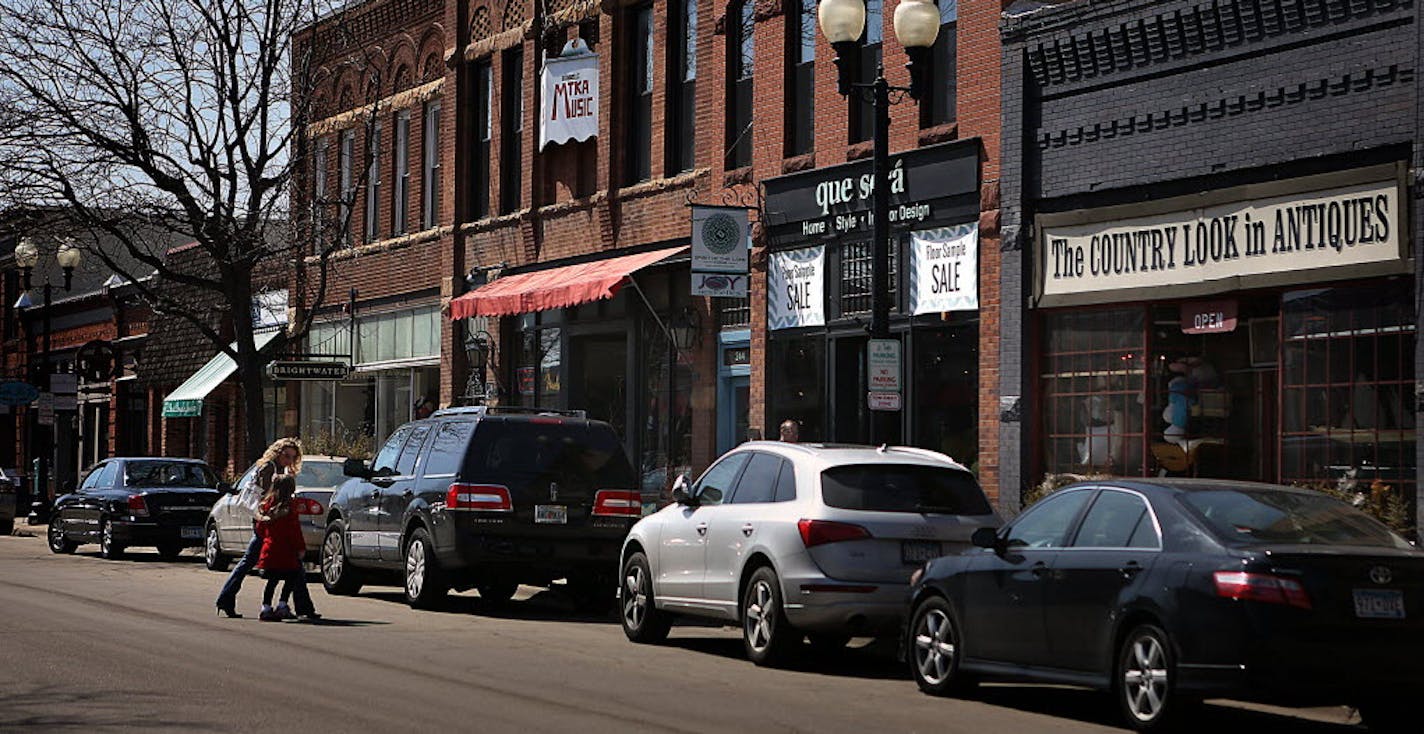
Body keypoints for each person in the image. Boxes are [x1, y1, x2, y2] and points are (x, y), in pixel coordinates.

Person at [214, 437, 302, 618]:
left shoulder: (277, 468)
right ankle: (227, 598)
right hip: (267, 521)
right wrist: (272, 512)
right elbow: (267, 497)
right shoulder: (269, 467)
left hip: (268, 520)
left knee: (255, 562)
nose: (289, 460)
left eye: (293, 457)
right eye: (286, 455)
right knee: (286, 564)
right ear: (278, 453)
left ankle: (226, 598)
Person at [255, 475, 317, 621]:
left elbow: (260, 527)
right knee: (292, 577)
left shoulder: (266, 505)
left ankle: (266, 607)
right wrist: (300, 548)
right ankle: (282, 604)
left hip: (270, 549)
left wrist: (268, 538)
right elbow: (294, 531)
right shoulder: (290, 507)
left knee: (272, 580)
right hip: (287, 551)